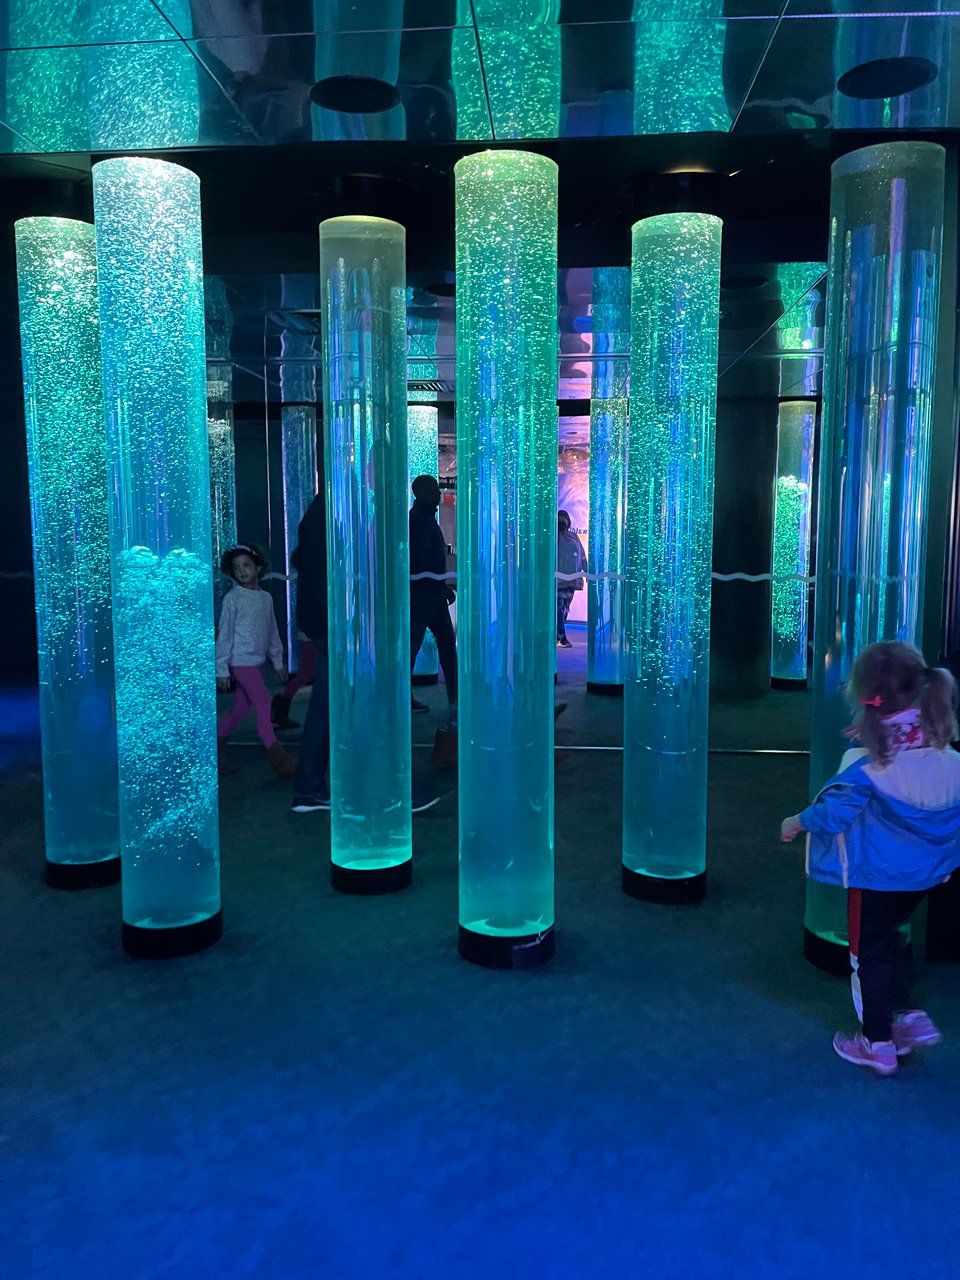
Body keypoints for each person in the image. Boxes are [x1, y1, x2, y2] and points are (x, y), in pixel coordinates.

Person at [780, 642, 960, 1076]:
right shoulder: (945, 755)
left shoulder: (869, 771)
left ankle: (877, 1042)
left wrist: (797, 821)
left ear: (864, 699)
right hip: (926, 876)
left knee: (867, 955)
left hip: (877, 877)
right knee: (890, 941)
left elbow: (835, 814)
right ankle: (908, 1016)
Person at [216, 543, 296, 779]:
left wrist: (278, 662)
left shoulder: (266, 598)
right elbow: (225, 634)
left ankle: (214, 755)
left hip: (255, 662)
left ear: (258, 567)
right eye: (236, 567)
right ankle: (276, 754)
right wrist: (221, 668)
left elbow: (272, 631)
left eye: (246, 565)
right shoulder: (233, 599)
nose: (242, 571)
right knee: (262, 702)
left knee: (239, 710)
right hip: (239, 662)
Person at [290, 496, 331, 813]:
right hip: (332, 624)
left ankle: (311, 787)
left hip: (326, 622)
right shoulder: (332, 507)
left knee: (329, 704)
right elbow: (321, 571)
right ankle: (309, 789)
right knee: (327, 705)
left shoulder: (321, 509)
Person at [409, 475, 457, 732]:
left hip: (429, 595)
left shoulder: (421, 519)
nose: (439, 494)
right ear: (422, 493)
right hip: (423, 596)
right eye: (434, 490)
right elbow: (424, 561)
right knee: (431, 648)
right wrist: (439, 587)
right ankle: (455, 699)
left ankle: (455, 698)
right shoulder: (419, 521)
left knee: (431, 647)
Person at [556, 510, 586, 648]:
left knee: (565, 608)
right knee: (559, 608)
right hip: (558, 581)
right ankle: (562, 636)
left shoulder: (573, 536)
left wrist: (587, 571)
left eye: (564, 519)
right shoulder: (553, 538)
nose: (563, 522)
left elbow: (582, 555)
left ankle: (558, 635)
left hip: (572, 580)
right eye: (560, 519)